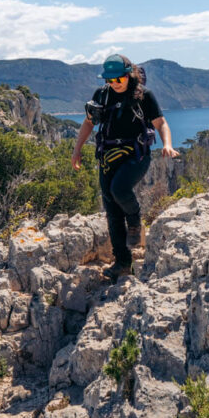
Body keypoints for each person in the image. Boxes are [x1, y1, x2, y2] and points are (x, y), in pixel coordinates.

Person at [71, 54, 179, 281]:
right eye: (110, 80)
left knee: (119, 190)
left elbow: (161, 123)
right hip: (108, 158)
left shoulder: (143, 96)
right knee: (111, 211)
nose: (115, 83)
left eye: (119, 78)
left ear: (129, 74)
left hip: (136, 156)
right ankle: (122, 263)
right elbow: (89, 123)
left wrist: (167, 144)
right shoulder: (101, 95)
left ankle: (135, 220)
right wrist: (77, 149)